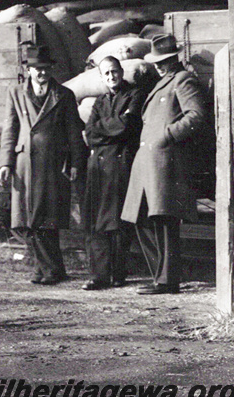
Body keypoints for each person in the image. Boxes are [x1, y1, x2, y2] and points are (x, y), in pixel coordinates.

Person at [121, 34, 208, 295]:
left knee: (164, 221)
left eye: (164, 61)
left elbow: (197, 115)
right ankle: (160, 275)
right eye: (157, 61)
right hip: (149, 162)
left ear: (174, 60)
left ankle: (167, 280)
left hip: (165, 161)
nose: (159, 65)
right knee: (142, 219)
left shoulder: (183, 80)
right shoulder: (164, 81)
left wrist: (167, 135)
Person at [0, 44, 86, 285]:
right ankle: (45, 268)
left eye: (45, 68)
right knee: (28, 219)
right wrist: (5, 164)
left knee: (47, 218)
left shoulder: (64, 95)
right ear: (28, 69)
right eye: (37, 68)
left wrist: (77, 162)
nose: (42, 73)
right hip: (24, 164)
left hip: (52, 165)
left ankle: (51, 270)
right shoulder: (15, 92)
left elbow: (74, 133)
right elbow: (10, 129)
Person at [82, 56, 145, 290]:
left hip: (119, 165)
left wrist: (104, 127)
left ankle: (118, 274)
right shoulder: (100, 101)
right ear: (101, 77)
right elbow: (89, 132)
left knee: (117, 221)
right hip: (98, 168)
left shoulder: (134, 95)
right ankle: (99, 275)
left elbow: (127, 126)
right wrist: (113, 125)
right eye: (106, 74)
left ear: (121, 71)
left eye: (114, 72)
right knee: (96, 220)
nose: (111, 77)